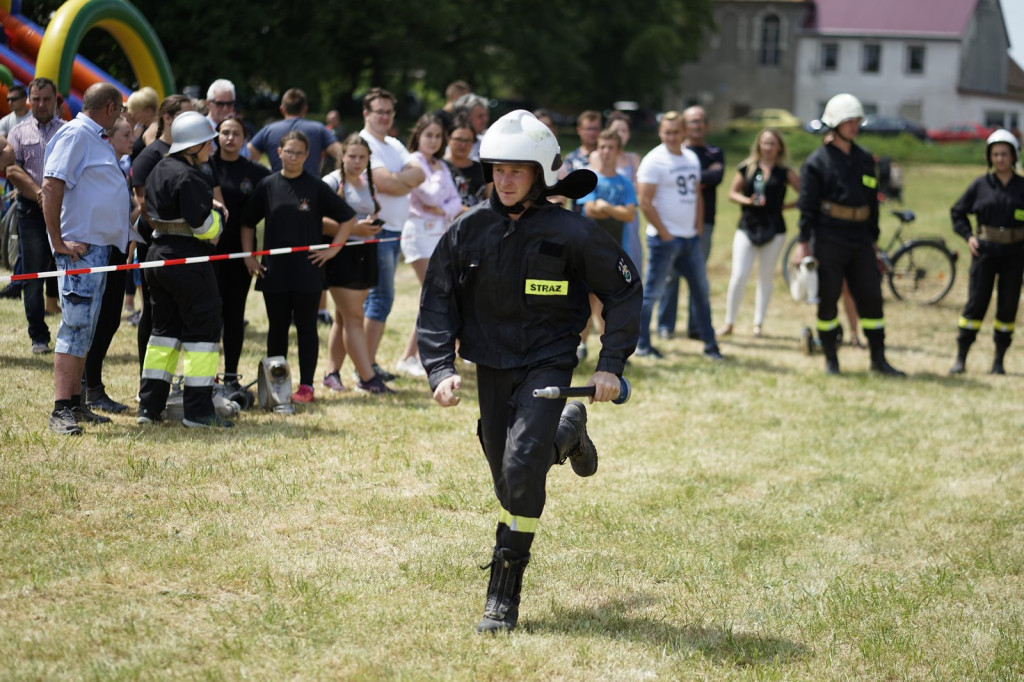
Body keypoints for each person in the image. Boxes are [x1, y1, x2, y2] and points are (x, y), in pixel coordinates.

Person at [417, 110, 642, 633]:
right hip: (490, 366)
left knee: (521, 473)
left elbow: (625, 290)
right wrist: (437, 368)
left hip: (548, 362)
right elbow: (437, 300)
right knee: (508, 481)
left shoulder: (573, 233)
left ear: (540, 173)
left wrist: (611, 364)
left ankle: (502, 596)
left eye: (517, 170)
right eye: (498, 169)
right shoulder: (467, 229)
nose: (505, 179)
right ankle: (567, 434)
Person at [241, 130, 356, 404]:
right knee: (277, 328)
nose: (292, 157)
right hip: (274, 271)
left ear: (308, 156)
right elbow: (246, 221)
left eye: (299, 153)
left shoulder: (315, 187)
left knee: (306, 328)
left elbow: (348, 218)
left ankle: (306, 387)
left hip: (307, 271)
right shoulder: (267, 185)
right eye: (288, 152)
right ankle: (275, 386)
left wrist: (332, 250)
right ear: (278, 153)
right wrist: (249, 256)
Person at [41, 82, 130, 435]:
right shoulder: (77, 134)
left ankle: (76, 404)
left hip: (96, 249)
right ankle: (61, 409)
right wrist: (58, 241)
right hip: (80, 249)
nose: (122, 115)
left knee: (86, 329)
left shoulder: (93, 137)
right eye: (120, 110)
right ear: (109, 108)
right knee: (75, 326)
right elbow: (51, 185)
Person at [793, 93, 903, 376]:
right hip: (829, 237)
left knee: (871, 297)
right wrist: (803, 242)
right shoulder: (817, 162)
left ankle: (878, 360)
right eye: (848, 121)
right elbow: (807, 206)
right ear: (834, 124)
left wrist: (874, 238)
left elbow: (872, 201)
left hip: (861, 239)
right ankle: (831, 359)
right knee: (828, 299)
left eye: (857, 121)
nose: (855, 126)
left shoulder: (865, 159)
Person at [136, 112, 230, 427]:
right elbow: (206, 230)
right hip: (187, 260)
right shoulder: (191, 177)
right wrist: (220, 215)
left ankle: (149, 408)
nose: (211, 149)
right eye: (208, 143)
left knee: (162, 334)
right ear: (195, 146)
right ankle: (199, 412)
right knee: (203, 334)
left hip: (157, 257)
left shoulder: (158, 169)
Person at [635, 111, 723, 361]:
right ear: (660, 133)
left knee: (701, 292)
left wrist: (696, 229)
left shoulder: (691, 157)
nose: (672, 137)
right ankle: (642, 343)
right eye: (667, 132)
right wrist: (665, 233)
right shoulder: (654, 160)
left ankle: (710, 343)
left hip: (690, 239)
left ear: (684, 132)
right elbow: (645, 202)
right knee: (653, 292)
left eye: (676, 132)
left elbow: (696, 196)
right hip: (664, 240)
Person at [359, 88, 425, 380]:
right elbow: (384, 183)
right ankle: (366, 368)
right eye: (379, 111)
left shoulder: (395, 144)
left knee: (381, 299)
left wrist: (399, 181)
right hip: (377, 230)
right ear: (366, 114)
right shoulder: (364, 143)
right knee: (379, 299)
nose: (384, 117)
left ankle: (368, 364)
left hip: (394, 230)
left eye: (389, 111)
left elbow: (419, 174)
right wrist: (401, 181)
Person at [321, 133, 393, 394]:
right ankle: (368, 378)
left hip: (365, 254)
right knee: (354, 317)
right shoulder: (330, 182)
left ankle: (331, 374)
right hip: (341, 255)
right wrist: (354, 230)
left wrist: (368, 228)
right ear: (342, 156)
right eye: (352, 156)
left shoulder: (365, 182)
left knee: (343, 318)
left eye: (362, 157)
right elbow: (316, 220)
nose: (357, 161)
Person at [949, 129, 1024, 375]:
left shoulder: (1021, 187)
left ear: (1014, 156)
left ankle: (999, 361)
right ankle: (961, 358)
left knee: (1007, 306)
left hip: (1014, 254)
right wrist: (969, 237)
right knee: (976, 303)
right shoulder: (980, 185)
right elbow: (957, 212)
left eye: (1004, 154)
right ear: (989, 157)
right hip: (985, 253)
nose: (1000, 159)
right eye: (995, 154)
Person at [131, 95, 195, 379]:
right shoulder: (150, 155)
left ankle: (173, 378)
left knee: (181, 314)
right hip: (155, 245)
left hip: (188, 246)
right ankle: (148, 379)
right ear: (167, 118)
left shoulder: (193, 152)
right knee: (154, 313)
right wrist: (172, 230)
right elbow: (143, 205)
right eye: (185, 115)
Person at [0, 78, 63, 356]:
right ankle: (39, 335)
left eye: (45, 99)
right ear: (29, 100)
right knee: (33, 273)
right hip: (31, 210)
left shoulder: (67, 131)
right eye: (35, 99)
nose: (40, 104)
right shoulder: (18, 132)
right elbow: (12, 171)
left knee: (68, 272)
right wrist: (40, 194)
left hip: (66, 211)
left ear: (55, 99)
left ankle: (70, 333)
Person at [80, 116, 139, 414]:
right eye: (127, 134)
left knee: (110, 321)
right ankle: (84, 390)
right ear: (109, 137)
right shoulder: (101, 167)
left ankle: (93, 388)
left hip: (116, 250)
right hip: (97, 251)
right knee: (93, 322)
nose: (132, 139)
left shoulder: (119, 167)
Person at [396, 114, 462, 377]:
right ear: (418, 136)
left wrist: (441, 208)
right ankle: (409, 356)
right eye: (429, 135)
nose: (433, 141)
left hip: (438, 233)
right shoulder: (413, 163)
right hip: (418, 234)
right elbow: (432, 195)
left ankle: (418, 354)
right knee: (431, 294)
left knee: (434, 296)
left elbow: (455, 202)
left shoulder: (440, 165)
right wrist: (441, 202)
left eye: (438, 136)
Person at [720, 128, 799, 338]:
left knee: (765, 277)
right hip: (747, 226)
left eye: (772, 143)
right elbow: (732, 193)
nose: (768, 148)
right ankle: (729, 322)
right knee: (739, 275)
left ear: (779, 147)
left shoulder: (785, 172)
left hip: (775, 229)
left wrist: (784, 207)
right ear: (758, 145)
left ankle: (758, 324)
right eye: (765, 143)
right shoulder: (746, 168)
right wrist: (749, 201)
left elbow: (806, 195)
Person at [210, 116, 271, 389]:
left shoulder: (256, 172)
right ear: (217, 135)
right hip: (208, 253)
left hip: (241, 253)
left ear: (245, 138)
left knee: (234, 314)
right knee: (209, 314)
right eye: (225, 132)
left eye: (236, 133)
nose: (230, 138)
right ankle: (206, 375)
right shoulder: (205, 167)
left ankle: (231, 375)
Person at [657, 105, 725, 341]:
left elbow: (716, 177)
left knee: (698, 277)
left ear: (705, 126)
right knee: (670, 276)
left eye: (699, 122)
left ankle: (696, 327)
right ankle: (665, 325)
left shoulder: (714, 152)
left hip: (702, 223)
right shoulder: (673, 153)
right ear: (684, 127)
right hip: (672, 223)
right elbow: (701, 178)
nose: (695, 126)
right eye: (691, 122)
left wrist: (691, 177)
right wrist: (700, 176)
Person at [578, 129, 637, 360]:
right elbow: (590, 209)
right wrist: (612, 209)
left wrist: (606, 207)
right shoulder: (589, 178)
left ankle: (609, 352)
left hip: (614, 252)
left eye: (610, 147)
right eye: (601, 147)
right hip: (588, 252)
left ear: (618, 151)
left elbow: (630, 214)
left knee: (608, 304)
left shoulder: (624, 183)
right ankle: (580, 346)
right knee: (585, 301)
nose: (605, 152)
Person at [247, 88, 342, 174]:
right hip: (311, 189)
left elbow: (245, 156)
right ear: (305, 109)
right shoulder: (319, 129)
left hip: (277, 189)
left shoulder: (268, 130)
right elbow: (341, 153)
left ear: (282, 109)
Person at [603, 111, 643, 268]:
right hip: (604, 216)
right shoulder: (598, 156)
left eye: (624, 130)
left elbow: (638, 188)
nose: (620, 134)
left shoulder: (634, 158)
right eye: (616, 130)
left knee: (631, 259)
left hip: (628, 216)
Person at [562, 110, 602, 213]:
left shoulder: (606, 156)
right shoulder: (571, 159)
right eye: (589, 129)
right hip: (579, 216)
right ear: (579, 129)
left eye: (596, 128)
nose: (593, 133)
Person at [444, 114, 487, 209]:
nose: (463, 144)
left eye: (468, 140)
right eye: (458, 139)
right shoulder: (438, 166)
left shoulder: (482, 169)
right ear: (448, 139)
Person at [453, 92, 489, 161]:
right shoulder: (452, 146)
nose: (485, 120)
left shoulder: (486, 143)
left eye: (486, 115)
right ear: (466, 118)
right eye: (480, 116)